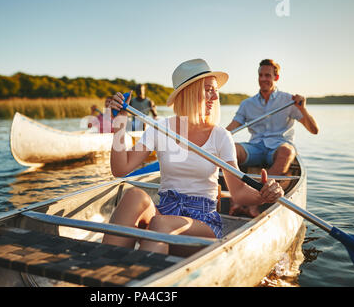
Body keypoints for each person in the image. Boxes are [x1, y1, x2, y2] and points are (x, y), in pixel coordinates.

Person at [103, 58, 284, 257]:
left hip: (202, 224)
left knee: (161, 224)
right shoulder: (162, 128)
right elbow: (120, 169)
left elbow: (238, 192)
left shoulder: (220, 136)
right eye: (208, 89)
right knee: (134, 196)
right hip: (164, 212)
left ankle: (147, 282)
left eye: (216, 90)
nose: (215, 97)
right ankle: (104, 271)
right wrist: (119, 122)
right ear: (190, 92)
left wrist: (263, 194)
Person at [226, 59, 319, 217]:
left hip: (279, 148)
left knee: (287, 152)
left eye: (267, 75)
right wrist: (210, 139)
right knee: (230, 148)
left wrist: (302, 109)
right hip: (255, 148)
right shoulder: (247, 104)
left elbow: (314, 130)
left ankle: (254, 200)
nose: (263, 79)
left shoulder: (289, 101)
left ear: (276, 78)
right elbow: (230, 129)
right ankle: (238, 196)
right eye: (260, 75)